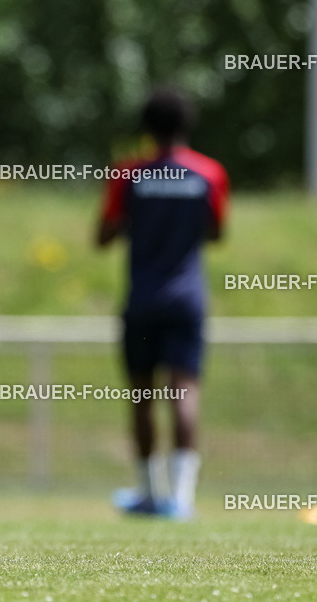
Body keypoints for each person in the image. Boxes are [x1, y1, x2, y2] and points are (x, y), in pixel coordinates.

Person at [96, 88, 229, 520]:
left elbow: (104, 235)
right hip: (188, 298)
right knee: (185, 392)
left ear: (146, 127)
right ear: (187, 125)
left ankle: (150, 494)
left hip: (143, 300)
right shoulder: (209, 173)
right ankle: (183, 500)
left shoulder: (129, 174)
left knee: (141, 396)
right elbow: (215, 233)